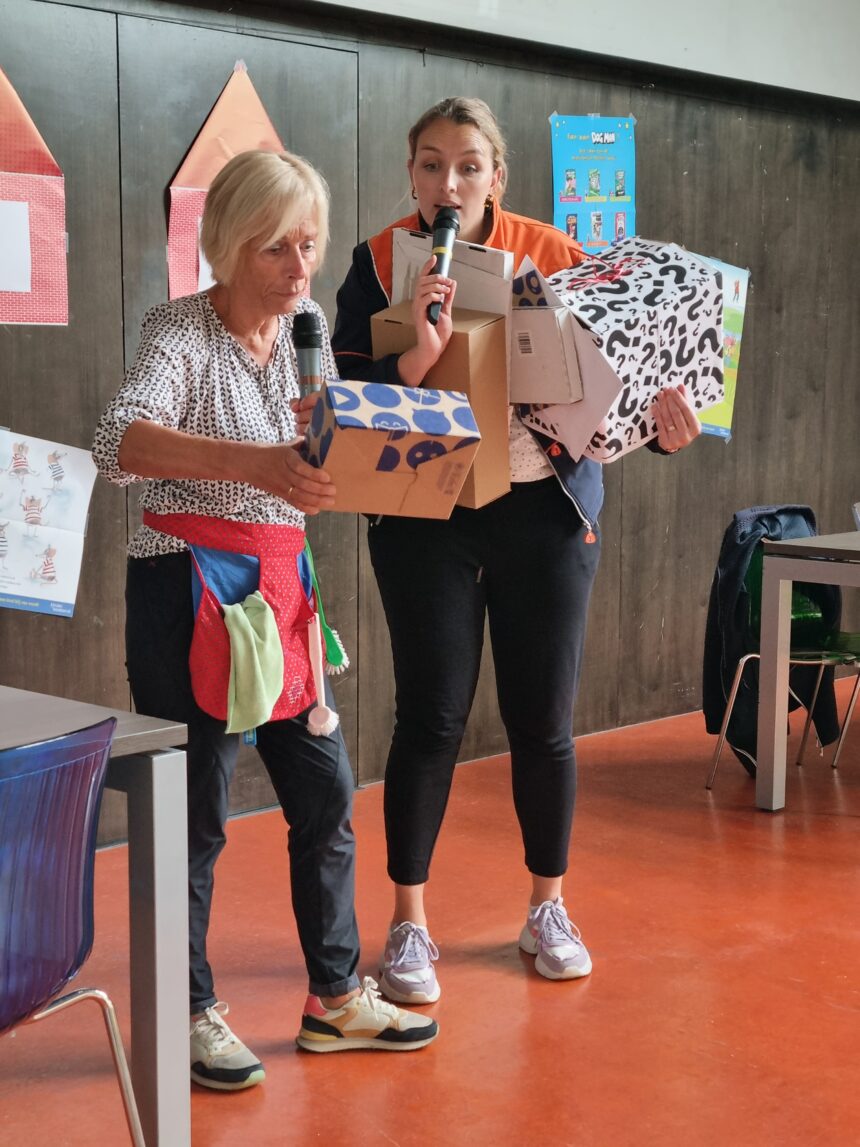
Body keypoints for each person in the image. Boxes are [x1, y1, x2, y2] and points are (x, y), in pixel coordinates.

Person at [331, 97, 701, 1004]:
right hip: (430, 510)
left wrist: (662, 428)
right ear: (410, 174)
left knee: (544, 720)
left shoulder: (560, 254)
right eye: (428, 165)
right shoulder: (380, 261)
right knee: (431, 717)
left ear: (498, 174)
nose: (446, 184)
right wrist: (416, 353)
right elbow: (343, 393)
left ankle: (547, 905)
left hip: (545, 511)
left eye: (465, 165)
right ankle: (410, 922)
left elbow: (620, 385)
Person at [92, 149, 438, 1092]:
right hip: (188, 590)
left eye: (310, 246)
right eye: (278, 248)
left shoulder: (303, 336)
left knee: (325, 799)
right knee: (196, 816)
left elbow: (331, 439)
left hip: (279, 592)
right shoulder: (180, 332)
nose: (299, 268)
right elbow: (117, 443)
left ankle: (333, 995)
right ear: (231, 245)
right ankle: (186, 1008)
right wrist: (258, 466)